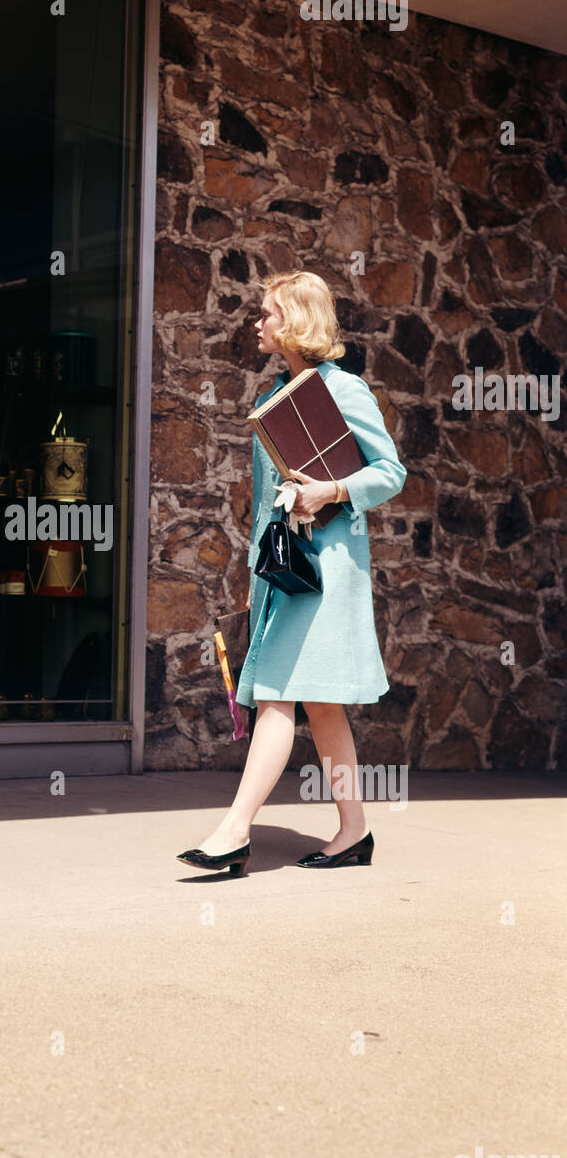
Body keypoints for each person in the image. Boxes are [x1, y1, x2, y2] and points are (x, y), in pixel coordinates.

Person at [178, 270, 406, 874]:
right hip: (286, 570)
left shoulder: (345, 389)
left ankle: (233, 832)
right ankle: (354, 832)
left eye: (267, 314)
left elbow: (390, 473)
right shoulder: (272, 395)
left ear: (296, 321)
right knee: (322, 705)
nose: (257, 323)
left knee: (277, 695)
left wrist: (330, 490)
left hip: (328, 572)